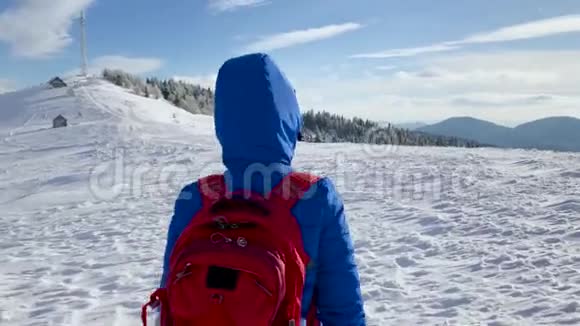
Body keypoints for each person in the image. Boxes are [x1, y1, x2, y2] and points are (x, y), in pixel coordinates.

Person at [159, 53, 365, 325]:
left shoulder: (193, 198)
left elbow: (169, 300)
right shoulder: (316, 197)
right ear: (288, 119)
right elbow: (343, 311)